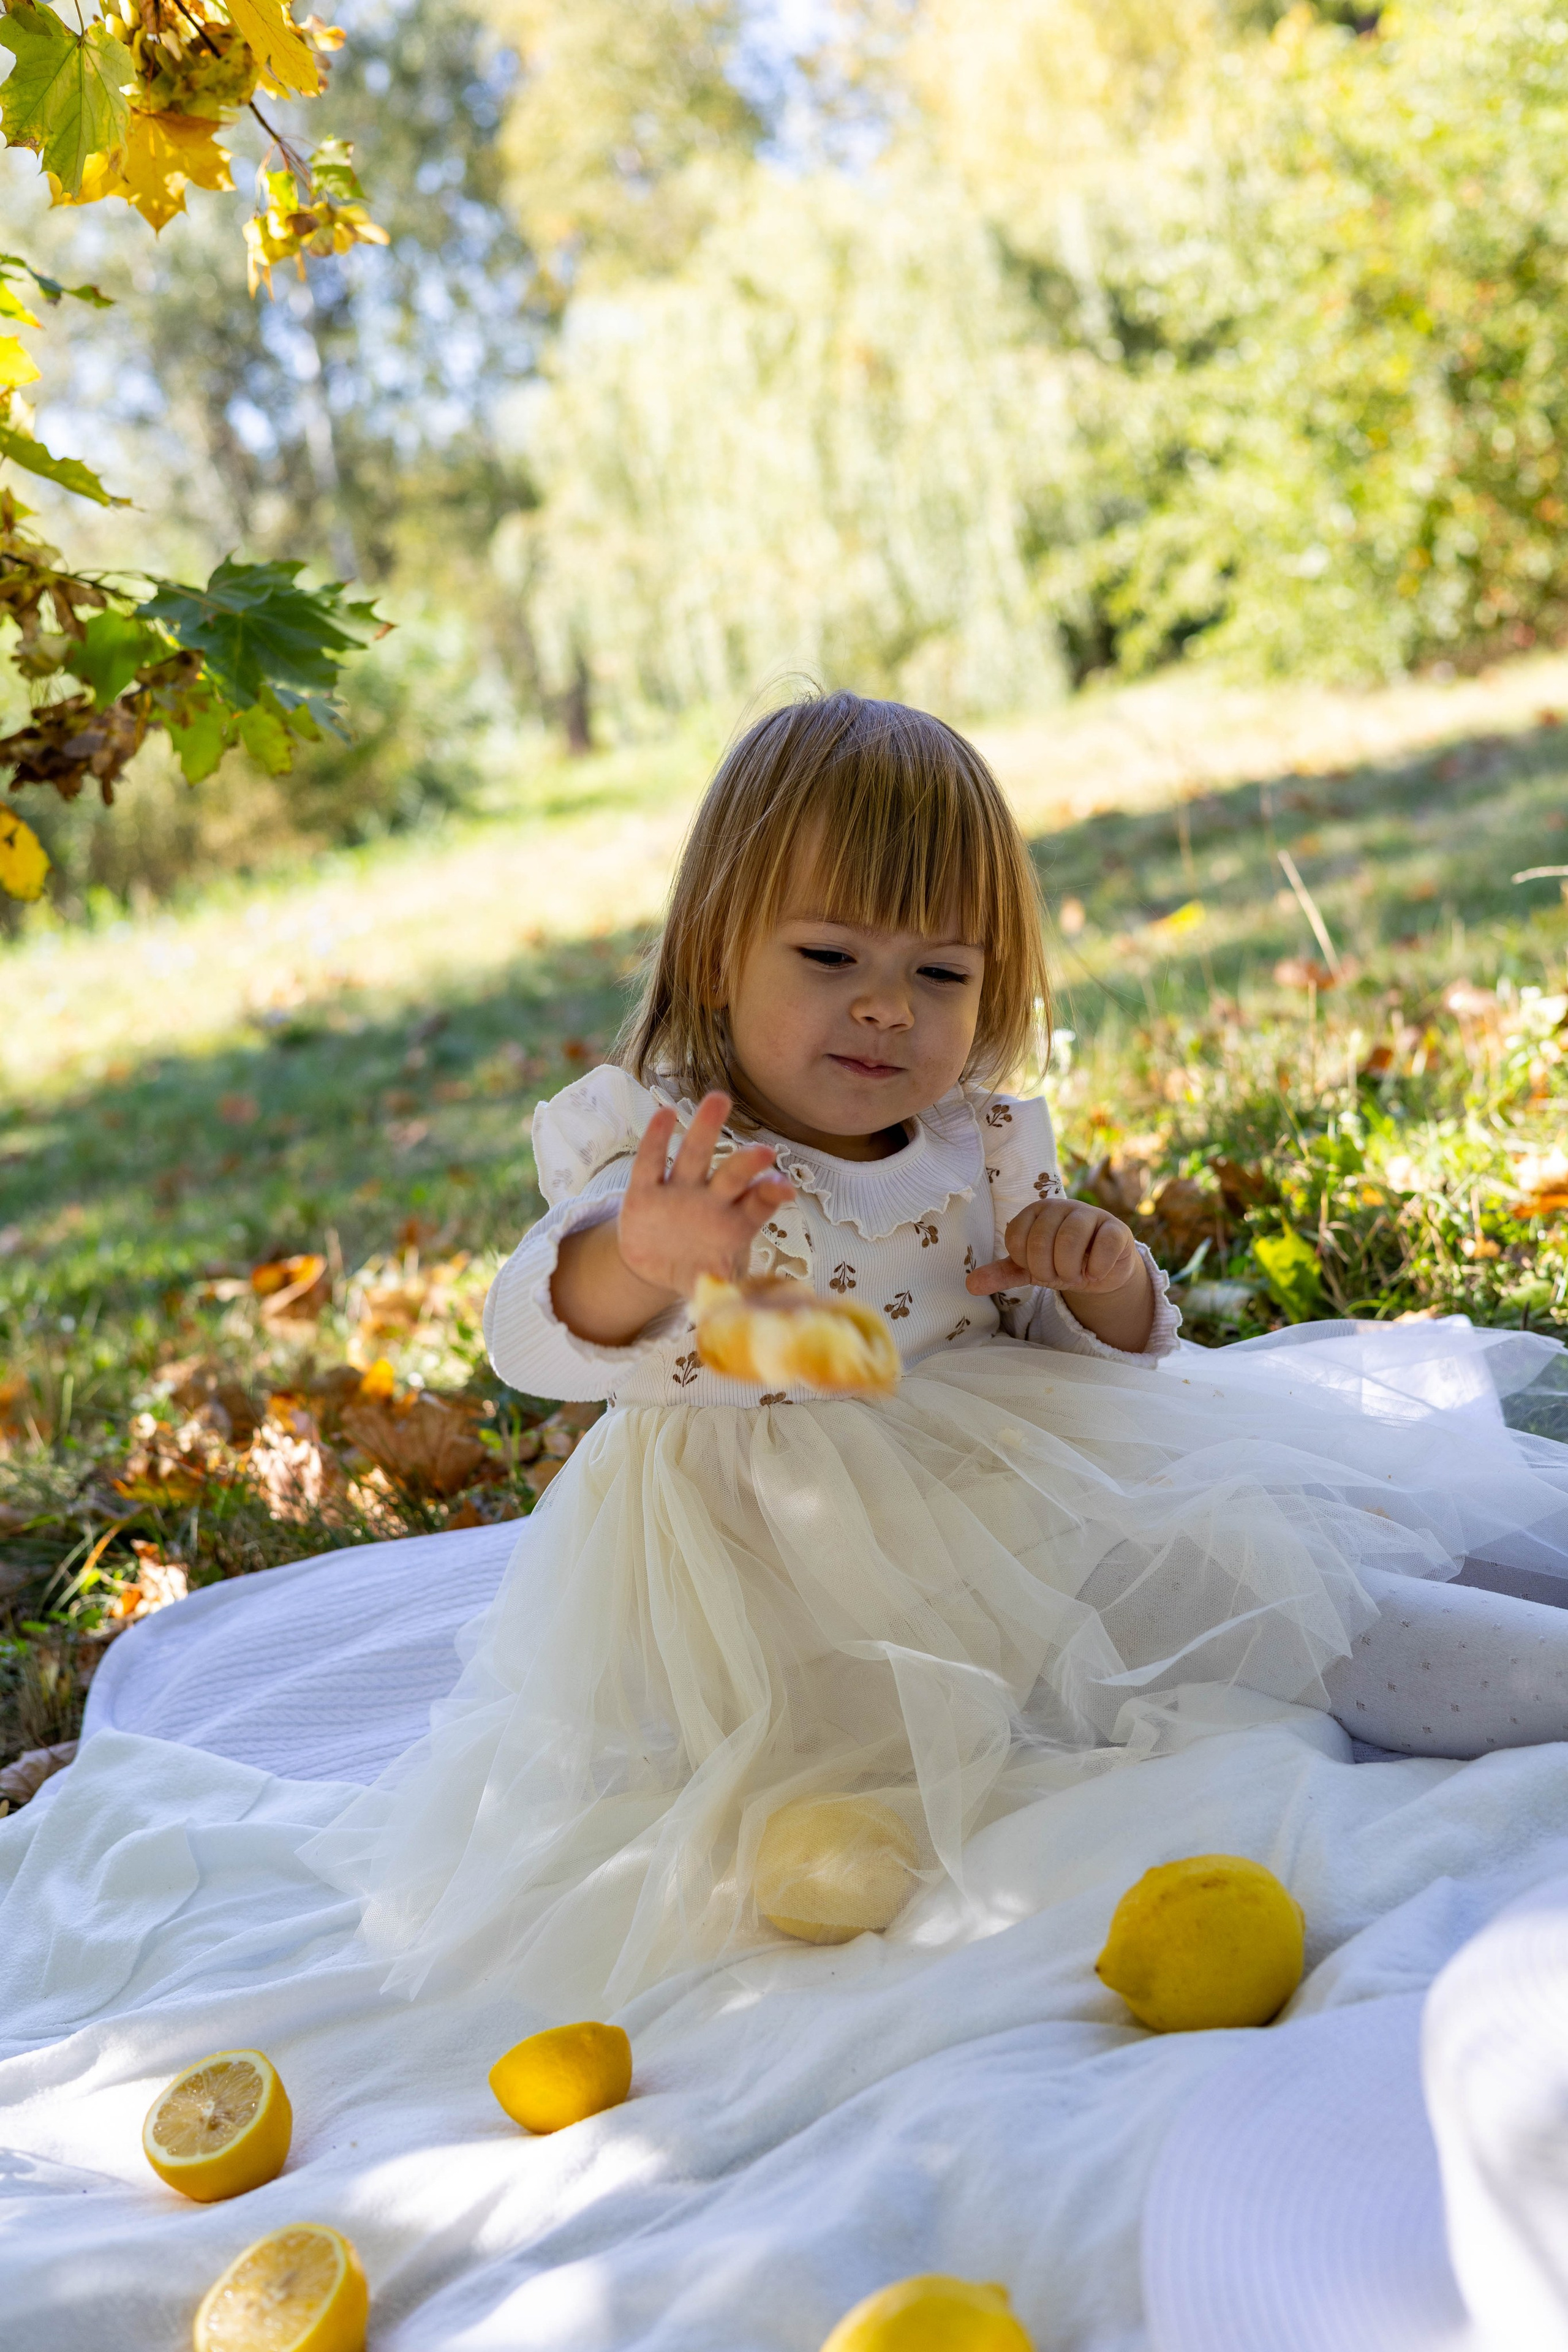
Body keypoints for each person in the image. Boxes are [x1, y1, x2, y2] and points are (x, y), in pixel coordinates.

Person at [306, 691, 1568, 2010]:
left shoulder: (976, 1141)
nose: (883, 1010)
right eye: (829, 957)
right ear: (715, 950)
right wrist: (640, 1257)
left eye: (940, 975)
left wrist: (1102, 1285)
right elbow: (530, 1338)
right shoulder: (669, 1155)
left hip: (1020, 1485)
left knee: (1345, 1536)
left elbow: (1073, 1357)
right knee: (1283, 1623)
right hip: (796, 1597)